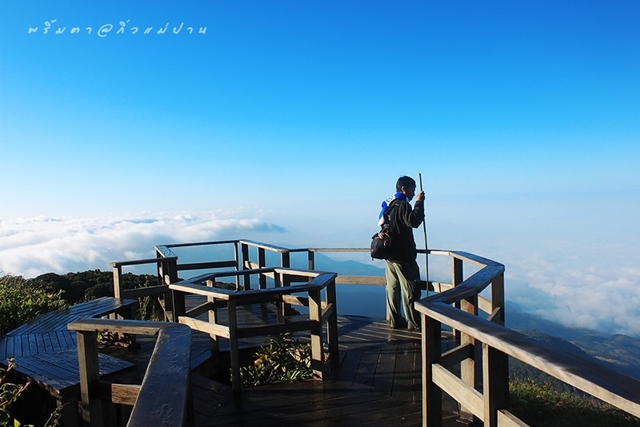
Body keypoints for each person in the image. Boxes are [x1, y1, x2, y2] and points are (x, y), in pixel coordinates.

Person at [378, 176, 425, 330]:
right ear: (404, 188)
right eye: (412, 189)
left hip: (389, 256)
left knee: (392, 289)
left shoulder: (389, 205)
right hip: (403, 257)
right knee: (410, 289)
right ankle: (414, 324)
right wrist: (419, 202)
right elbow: (414, 221)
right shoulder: (403, 205)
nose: (414, 193)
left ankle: (395, 321)